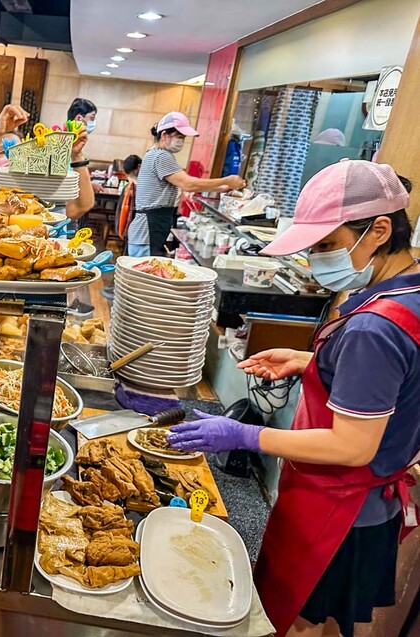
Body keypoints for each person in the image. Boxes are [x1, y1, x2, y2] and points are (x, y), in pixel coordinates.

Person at [168, 160, 420, 637]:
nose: (319, 259)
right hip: (370, 505)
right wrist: (312, 362)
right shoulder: (408, 291)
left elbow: (352, 446)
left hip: (339, 511)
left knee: (302, 624)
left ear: (380, 229)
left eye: (328, 245)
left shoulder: (374, 326)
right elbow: (398, 380)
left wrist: (245, 433)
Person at [0, 104, 96, 221]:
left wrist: (76, 156)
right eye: (2, 152)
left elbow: (82, 205)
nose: (12, 159)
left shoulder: (36, 205)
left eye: (20, 153)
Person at [129, 111, 244, 256]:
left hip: (149, 227)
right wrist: (227, 180)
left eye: (183, 138)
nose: (182, 142)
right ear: (164, 135)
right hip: (148, 228)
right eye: (179, 137)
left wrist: (221, 187)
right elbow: (188, 184)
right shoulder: (161, 156)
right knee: (142, 274)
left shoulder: (153, 153)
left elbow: (184, 182)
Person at [67, 98, 103, 194]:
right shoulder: (65, 141)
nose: (93, 123)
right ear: (79, 118)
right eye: (92, 118)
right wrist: (89, 185)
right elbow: (65, 178)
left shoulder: (75, 140)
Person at [116, 154, 142, 243]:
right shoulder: (131, 186)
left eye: (133, 174)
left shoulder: (146, 180)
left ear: (139, 166)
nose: (131, 177)